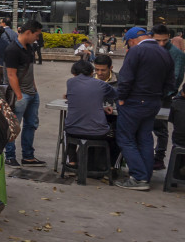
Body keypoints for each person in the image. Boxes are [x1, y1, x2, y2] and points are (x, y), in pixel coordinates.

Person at [114, 26, 174, 190]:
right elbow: (171, 83)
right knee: (145, 138)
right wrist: (157, 96)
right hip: (153, 102)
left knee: (126, 138)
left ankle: (138, 177)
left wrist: (121, 98)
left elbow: (125, 79)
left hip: (134, 102)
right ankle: (145, 177)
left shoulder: (136, 52)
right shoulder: (164, 53)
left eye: (129, 44)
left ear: (132, 40)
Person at [4, 20, 46, 167]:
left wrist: (34, 89)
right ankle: (10, 156)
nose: (38, 38)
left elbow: (29, 71)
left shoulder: (29, 48)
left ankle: (28, 156)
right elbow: (11, 75)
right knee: (14, 126)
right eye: (37, 35)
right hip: (20, 95)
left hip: (32, 93)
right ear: (28, 32)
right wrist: (19, 96)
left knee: (31, 124)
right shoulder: (12, 49)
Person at [63, 60, 119, 170]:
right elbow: (115, 95)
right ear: (92, 72)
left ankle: (73, 162)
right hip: (98, 132)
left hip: (73, 131)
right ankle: (109, 166)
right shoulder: (101, 84)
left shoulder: (70, 82)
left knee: (68, 128)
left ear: (74, 73)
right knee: (116, 133)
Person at [152, 24, 185, 168]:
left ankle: (159, 157)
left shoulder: (177, 54)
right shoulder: (150, 50)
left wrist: (165, 94)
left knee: (161, 127)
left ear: (169, 38)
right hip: (148, 95)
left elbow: (177, 78)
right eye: (158, 40)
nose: (161, 44)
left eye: (164, 40)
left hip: (164, 97)